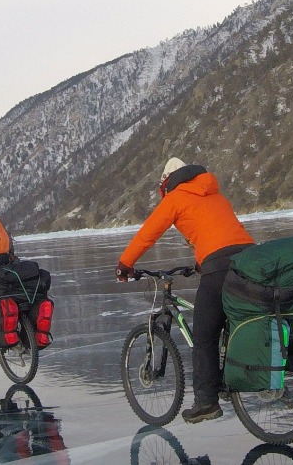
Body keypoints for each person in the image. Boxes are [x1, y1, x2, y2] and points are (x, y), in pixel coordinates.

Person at [115, 157, 254, 424]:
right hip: (248, 259)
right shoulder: (214, 194)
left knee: (204, 335)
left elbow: (148, 234)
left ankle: (207, 403)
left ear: (166, 182)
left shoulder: (176, 198)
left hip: (219, 265)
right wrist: (202, 262)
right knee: (237, 318)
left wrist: (125, 265)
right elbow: (218, 231)